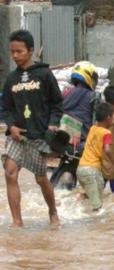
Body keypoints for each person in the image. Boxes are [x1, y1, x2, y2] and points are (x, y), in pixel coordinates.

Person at [2, 29, 63, 228]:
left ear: (30, 50)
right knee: (10, 172)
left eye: (19, 51)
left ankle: (53, 212)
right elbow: (6, 108)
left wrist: (53, 124)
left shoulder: (45, 75)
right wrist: (11, 127)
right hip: (16, 136)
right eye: (12, 52)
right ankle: (17, 221)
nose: (15, 56)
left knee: (40, 178)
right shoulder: (11, 79)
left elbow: (57, 103)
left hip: (38, 136)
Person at [76, 103, 114, 211]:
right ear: (108, 118)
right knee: (97, 207)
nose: (113, 119)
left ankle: (73, 208)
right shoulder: (107, 133)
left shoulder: (93, 128)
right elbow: (107, 149)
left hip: (81, 168)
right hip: (92, 171)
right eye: (112, 117)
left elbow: (102, 127)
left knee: (87, 195)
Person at [63, 61, 98, 149]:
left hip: (63, 140)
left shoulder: (65, 93)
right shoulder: (93, 96)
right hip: (83, 142)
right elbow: (98, 120)